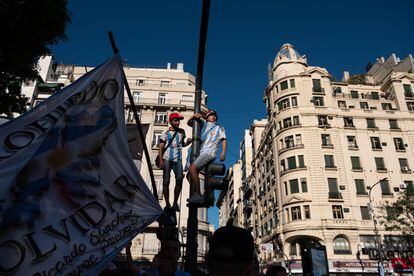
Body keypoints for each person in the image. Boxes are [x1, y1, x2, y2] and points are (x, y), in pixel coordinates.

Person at [186, 110, 226, 204]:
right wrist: (194, 116)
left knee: (192, 169)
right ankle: (199, 193)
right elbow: (189, 122)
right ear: (207, 117)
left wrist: (223, 152)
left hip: (209, 153)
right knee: (188, 175)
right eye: (211, 115)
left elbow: (223, 140)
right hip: (201, 152)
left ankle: (198, 195)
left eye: (215, 115)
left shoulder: (219, 127)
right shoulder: (203, 125)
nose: (214, 117)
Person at [158, 113, 191, 212]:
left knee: (180, 179)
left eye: (178, 120)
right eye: (175, 120)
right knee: (166, 180)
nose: (177, 122)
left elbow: (182, 144)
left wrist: (187, 143)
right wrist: (160, 160)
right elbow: (160, 146)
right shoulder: (165, 132)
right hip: (167, 158)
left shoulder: (182, 132)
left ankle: (175, 203)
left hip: (178, 159)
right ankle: (167, 203)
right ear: (171, 121)